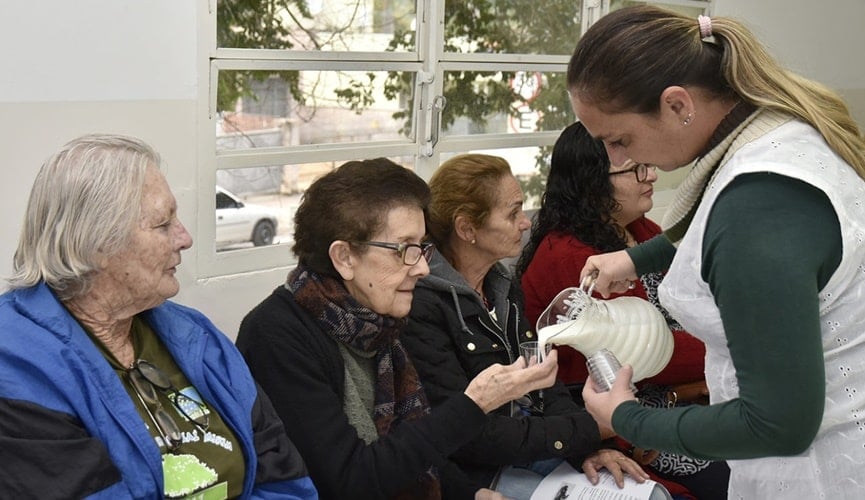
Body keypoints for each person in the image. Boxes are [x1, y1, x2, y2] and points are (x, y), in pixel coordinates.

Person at [567, 5, 865, 499]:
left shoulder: (756, 208)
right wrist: (635, 259)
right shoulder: (778, 136)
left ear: (678, 105)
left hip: (822, 474)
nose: (617, 159)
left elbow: (779, 424)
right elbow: (713, 228)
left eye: (618, 140)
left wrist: (628, 417)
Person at [0, 134, 317, 499]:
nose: (184, 238)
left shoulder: (194, 334)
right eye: (163, 224)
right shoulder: (16, 365)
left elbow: (280, 476)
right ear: (97, 244)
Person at [235, 158, 563, 500]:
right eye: (404, 249)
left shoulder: (374, 321)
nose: (422, 267)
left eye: (421, 247)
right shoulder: (276, 335)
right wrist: (473, 403)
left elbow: (411, 451)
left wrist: (470, 494)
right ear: (344, 257)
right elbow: (349, 479)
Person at [402, 153, 647, 499]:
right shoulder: (422, 306)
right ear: (467, 228)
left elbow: (546, 379)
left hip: (539, 455)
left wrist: (588, 450)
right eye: (513, 212)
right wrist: (591, 429)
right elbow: (470, 437)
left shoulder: (503, 285)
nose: (526, 223)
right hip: (482, 476)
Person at [517, 121, 729, 499]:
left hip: (678, 390)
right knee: (737, 471)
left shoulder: (640, 230)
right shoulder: (568, 257)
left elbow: (704, 292)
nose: (651, 175)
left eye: (646, 163)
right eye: (636, 169)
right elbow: (645, 354)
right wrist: (729, 348)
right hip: (617, 412)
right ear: (593, 183)